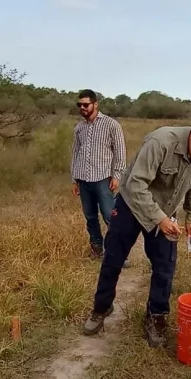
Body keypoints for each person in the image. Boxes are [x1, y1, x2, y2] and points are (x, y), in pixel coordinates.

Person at [82, 116, 191, 348]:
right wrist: (159, 219)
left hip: (165, 211)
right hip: (131, 205)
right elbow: (136, 184)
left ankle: (155, 316)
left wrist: (190, 217)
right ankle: (101, 307)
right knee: (113, 260)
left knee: (165, 267)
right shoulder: (160, 143)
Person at [71, 89, 130, 268]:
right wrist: (74, 179)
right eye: (79, 105)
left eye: (86, 104)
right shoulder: (79, 128)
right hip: (83, 179)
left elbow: (120, 152)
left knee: (110, 216)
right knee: (90, 217)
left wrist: (117, 176)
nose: (82, 107)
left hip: (103, 179)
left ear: (95, 104)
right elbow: (75, 153)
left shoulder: (111, 125)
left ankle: (118, 254)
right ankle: (96, 250)